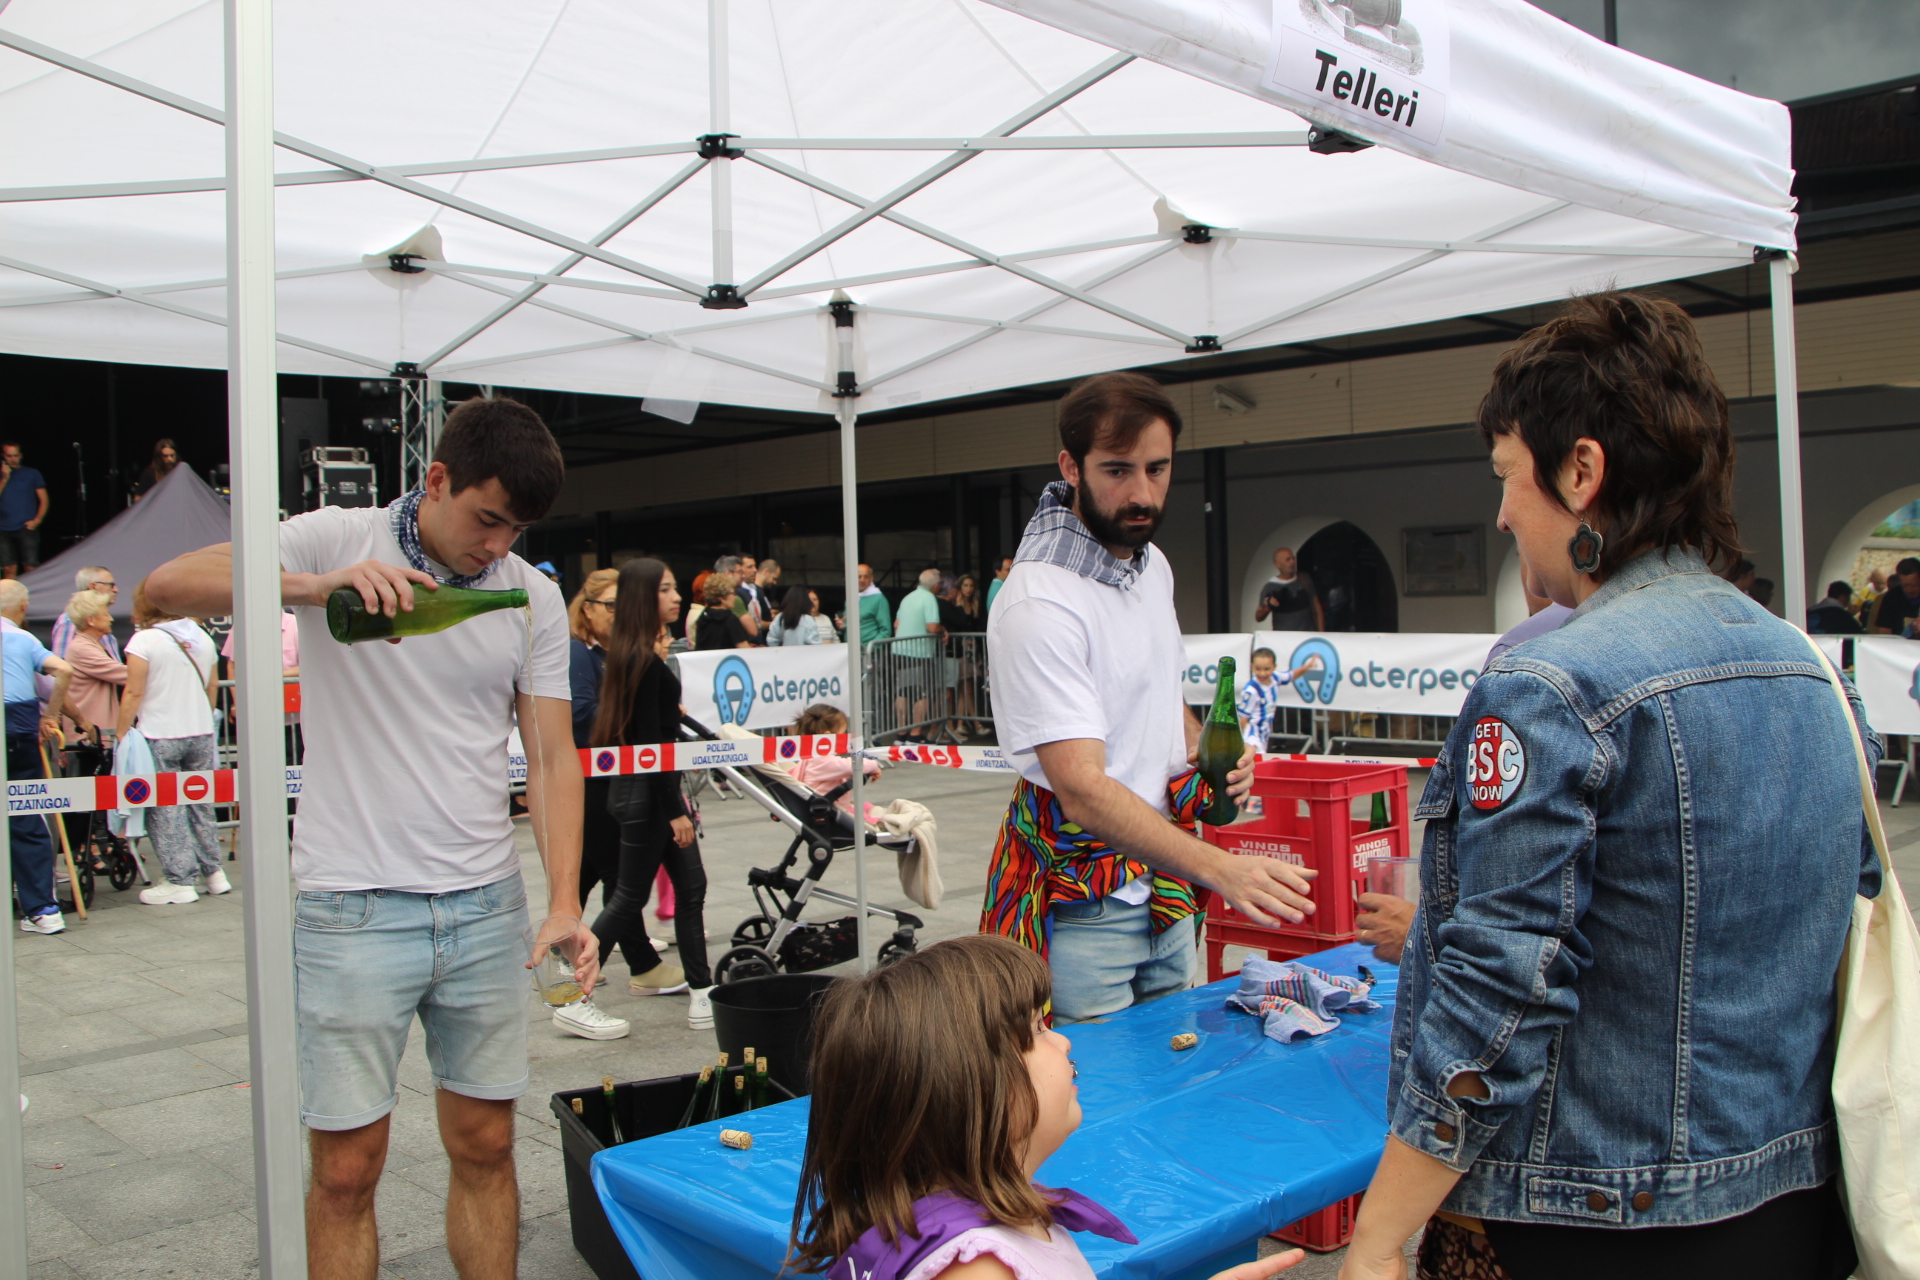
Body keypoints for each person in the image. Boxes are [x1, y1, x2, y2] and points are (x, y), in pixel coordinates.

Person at [1338, 293, 1875, 1280]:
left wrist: (1378, 1234)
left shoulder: (1551, 684)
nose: (1503, 511)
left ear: (1581, 471)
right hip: (1792, 1208)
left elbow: (1501, 988)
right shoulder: (1813, 672)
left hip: (1597, 1221)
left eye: (1508, 475)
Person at [145, 395, 606, 1280]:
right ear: (436, 480)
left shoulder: (532, 595)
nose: (497, 545)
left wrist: (561, 902)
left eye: (517, 529)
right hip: (352, 904)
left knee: (487, 1144)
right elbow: (164, 588)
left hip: (484, 904)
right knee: (346, 1169)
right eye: (487, 519)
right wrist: (315, 588)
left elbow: (552, 756)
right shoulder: (335, 536)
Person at [983, 372, 1311, 1023]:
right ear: (1070, 467)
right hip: (1084, 903)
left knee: (1173, 1074)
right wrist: (1221, 868)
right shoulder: (1040, 599)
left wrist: (1204, 749)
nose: (1142, 493)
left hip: (1165, 887)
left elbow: (1158, 690)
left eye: (1157, 469)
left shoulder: (1151, 564)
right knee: (1094, 1086)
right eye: (1117, 470)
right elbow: (1082, 790)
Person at [789, 933, 1304, 1280]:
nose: (1063, 1042)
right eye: (1036, 1030)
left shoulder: (942, 1223)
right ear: (969, 1089)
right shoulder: (979, 1269)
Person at [589, 558, 716, 1027]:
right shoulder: (640, 660)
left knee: (689, 889)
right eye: (665, 589)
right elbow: (650, 747)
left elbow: (655, 731)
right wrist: (674, 810)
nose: (676, 597)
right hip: (649, 797)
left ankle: (702, 991)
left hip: (650, 793)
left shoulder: (638, 655)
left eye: (674, 587)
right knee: (629, 897)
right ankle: (573, 993)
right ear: (644, 597)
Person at [118, 581, 225, 904]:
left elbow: (134, 691)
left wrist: (121, 733)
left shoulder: (144, 640)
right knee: (201, 803)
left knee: (166, 808)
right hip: (200, 730)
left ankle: (180, 879)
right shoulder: (202, 636)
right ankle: (214, 872)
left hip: (160, 731)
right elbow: (212, 686)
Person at [1, 579, 78, 935]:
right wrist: (49, 716)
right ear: (23, 606)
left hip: (15, 723)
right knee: (25, 814)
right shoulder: (22, 638)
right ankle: (43, 911)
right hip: (18, 727)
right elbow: (64, 670)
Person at [568, 568, 623, 914]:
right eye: (612, 604)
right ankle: (636, 947)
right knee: (618, 876)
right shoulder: (578, 652)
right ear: (588, 608)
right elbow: (581, 715)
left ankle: (564, 940)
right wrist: (632, 710)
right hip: (590, 779)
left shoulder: (610, 654)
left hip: (609, 777)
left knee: (587, 875)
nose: (620, 613)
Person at [789, 703, 882, 820]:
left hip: (831, 804)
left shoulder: (811, 756)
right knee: (872, 818)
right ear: (828, 737)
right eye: (842, 734)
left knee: (866, 806)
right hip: (830, 810)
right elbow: (852, 765)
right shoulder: (822, 760)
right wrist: (874, 766)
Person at [59, 589, 126, 743]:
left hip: (98, 736)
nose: (111, 619)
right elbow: (126, 674)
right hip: (89, 738)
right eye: (106, 614)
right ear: (91, 620)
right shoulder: (82, 648)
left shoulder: (93, 644)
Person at [893, 568, 946, 743]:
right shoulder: (929, 598)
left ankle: (901, 734)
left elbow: (896, 624)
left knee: (903, 692)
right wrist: (943, 630)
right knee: (922, 693)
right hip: (920, 652)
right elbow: (932, 627)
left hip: (900, 650)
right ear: (936, 586)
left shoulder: (907, 598)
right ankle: (915, 736)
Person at [1234, 647, 1315, 753]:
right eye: (1258, 669)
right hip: (1252, 734)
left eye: (1267, 669)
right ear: (1252, 666)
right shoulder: (1251, 691)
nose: (1262, 673)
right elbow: (1243, 718)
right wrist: (1239, 741)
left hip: (1264, 733)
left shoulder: (1276, 678)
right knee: (1256, 758)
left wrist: (1307, 667)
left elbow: (1291, 675)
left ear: (1274, 667)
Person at [50, 566, 121, 664]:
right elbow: (62, 665)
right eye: (111, 585)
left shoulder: (102, 621)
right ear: (93, 587)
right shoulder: (70, 620)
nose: (116, 590)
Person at [0, 442, 49, 577]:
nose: (13, 459)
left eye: (15, 455)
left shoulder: (32, 473)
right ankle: (9, 591)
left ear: (20, 456)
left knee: (30, 566)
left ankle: (34, 591)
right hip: (2, 528)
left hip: (26, 526)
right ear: (3, 456)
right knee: (8, 568)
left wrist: (37, 521)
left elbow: (44, 500)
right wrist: (4, 479)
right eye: (9, 456)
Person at [1254, 547, 1324, 632]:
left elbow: (1316, 608)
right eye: (1288, 560)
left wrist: (1321, 633)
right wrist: (1269, 606)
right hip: (1284, 637)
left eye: (1293, 558)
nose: (1292, 562)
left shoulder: (1304, 579)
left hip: (1306, 635)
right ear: (1278, 564)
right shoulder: (1270, 587)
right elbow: (1258, 617)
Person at [694, 571, 754, 650]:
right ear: (722, 598)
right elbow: (744, 649)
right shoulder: (730, 619)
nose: (735, 597)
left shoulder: (703, 617)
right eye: (733, 593)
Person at [1870, 557, 1920, 636]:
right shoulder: (1892, 598)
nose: (1910, 589)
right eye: (1905, 585)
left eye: (1914, 585)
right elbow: (1885, 631)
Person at [849, 562, 891, 646]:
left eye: (866, 576)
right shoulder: (850, 597)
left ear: (871, 578)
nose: (862, 580)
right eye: (859, 576)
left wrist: (870, 648)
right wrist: (842, 626)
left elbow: (886, 631)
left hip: (869, 651)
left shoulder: (879, 599)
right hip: (850, 650)